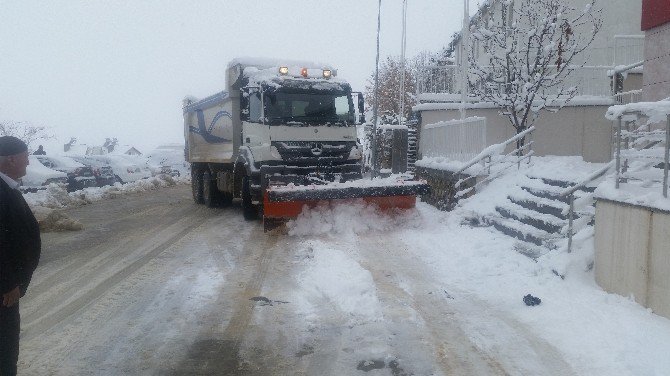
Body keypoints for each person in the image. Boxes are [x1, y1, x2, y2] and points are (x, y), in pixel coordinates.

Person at [0, 136, 41, 376]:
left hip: (8, 288)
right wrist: (7, 283)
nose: (28, 163)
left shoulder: (7, 187)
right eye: (26, 158)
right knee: (4, 350)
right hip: (4, 291)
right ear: (12, 159)